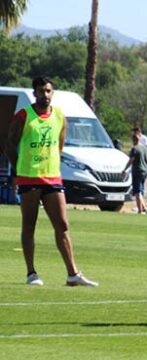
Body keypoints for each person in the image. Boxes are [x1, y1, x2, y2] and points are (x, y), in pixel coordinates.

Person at [4, 77, 98, 287]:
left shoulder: (59, 116)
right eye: (40, 91)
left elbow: (59, 146)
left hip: (52, 177)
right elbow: (10, 145)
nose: (45, 95)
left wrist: (52, 164)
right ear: (34, 93)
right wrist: (18, 171)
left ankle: (73, 274)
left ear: (52, 93)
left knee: (62, 224)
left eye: (48, 91)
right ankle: (31, 273)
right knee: (29, 225)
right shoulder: (24, 116)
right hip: (29, 177)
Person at [122, 133, 147, 214]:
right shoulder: (145, 148)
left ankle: (140, 210)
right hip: (145, 171)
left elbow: (131, 160)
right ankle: (144, 208)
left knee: (137, 192)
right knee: (141, 190)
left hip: (137, 171)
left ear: (133, 140)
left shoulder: (134, 149)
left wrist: (124, 169)